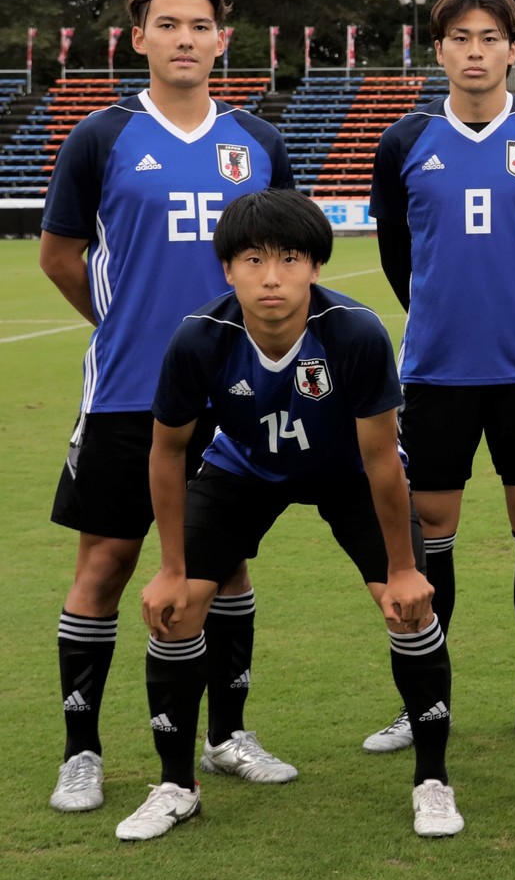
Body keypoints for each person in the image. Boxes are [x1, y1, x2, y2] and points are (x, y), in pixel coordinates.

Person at [120, 189, 459, 840]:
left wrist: (403, 567)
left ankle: (432, 780)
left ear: (316, 266)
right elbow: (167, 451)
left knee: (409, 604)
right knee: (176, 608)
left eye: (289, 258)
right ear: (227, 268)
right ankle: (175, 783)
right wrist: (169, 566)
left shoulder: (354, 332)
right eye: (252, 259)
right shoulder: (200, 337)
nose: (271, 276)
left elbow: (384, 459)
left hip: (348, 473)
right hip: (243, 469)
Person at [41, 0, 298, 815]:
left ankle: (226, 735)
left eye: (200, 24)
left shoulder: (258, 141)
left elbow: (283, 259)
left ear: (223, 38)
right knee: (106, 563)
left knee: (224, 568)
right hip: (127, 391)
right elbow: (60, 254)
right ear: (139, 35)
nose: (185, 38)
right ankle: (82, 751)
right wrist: (118, 325)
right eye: (168, 23)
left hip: (235, 396)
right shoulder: (101, 136)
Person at [364, 0, 515, 755]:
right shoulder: (403, 142)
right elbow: (397, 253)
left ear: (514, 48)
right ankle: (424, 700)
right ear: (440, 49)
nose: (476, 50)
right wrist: (442, 313)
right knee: (431, 528)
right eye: (460, 37)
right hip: (433, 372)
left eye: (491, 37)